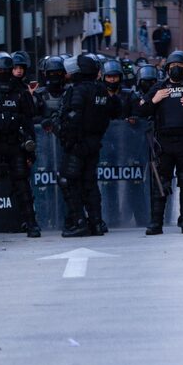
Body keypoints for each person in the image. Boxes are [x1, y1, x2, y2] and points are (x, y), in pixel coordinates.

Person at [138, 51, 183, 235]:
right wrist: (154, 100)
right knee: (160, 184)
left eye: (179, 66)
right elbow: (141, 110)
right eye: (172, 66)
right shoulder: (159, 87)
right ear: (167, 69)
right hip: (163, 143)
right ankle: (156, 223)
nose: (175, 69)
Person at [57, 54, 122, 236]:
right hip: (94, 143)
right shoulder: (101, 90)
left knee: (68, 181)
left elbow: (74, 117)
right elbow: (115, 110)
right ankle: (96, 222)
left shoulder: (79, 90)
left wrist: (67, 138)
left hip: (78, 144)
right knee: (89, 184)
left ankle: (79, 222)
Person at [0, 53, 40, 237]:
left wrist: (30, 152)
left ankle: (31, 223)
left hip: (14, 144)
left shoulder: (20, 92)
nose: (2, 73)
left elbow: (28, 121)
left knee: (22, 185)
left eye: (4, 70)